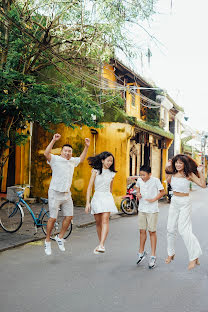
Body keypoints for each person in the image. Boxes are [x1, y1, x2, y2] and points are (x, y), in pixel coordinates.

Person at [44, 133, 90, 255]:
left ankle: (60, 237)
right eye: (65, 151)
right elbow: (46, 153)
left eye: (69, 151)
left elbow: (81, 158)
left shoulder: (72, 162)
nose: (67, 153)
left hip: (66, 194)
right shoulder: (55, 159)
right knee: (53, 218)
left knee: (69, 217)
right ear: (61, 152)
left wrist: (86, 146)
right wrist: (53, 140)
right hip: (54, 193)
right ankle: (47, 241)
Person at [165, 154, 206, 270]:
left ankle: (193, 257)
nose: (178, 165)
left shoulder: (189, 175)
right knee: (170, 228)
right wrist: (167, 168)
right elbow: (167, 181)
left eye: (180, 163)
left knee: (184, 230)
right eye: (176, 162)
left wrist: (200, 172)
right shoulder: (172, 173)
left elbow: (203, 185)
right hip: (174, 201)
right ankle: (170, 253)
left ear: (184, 164)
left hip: (184, 202)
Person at [85, 151, 118, 254]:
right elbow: (90, 187)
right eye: (108, 160)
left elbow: (111, 189)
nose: (110, 163)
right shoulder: (95, 171)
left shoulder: (112, 174)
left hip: (107, 197)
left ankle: (102, 245)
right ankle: (100, 244)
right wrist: (88, 203)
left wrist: (110, 199)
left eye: (111, 161)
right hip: (97, 197)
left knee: (105, 221)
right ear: (102, 160)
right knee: (98, 223)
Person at [135, 165, 165, 269]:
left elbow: (162, 192)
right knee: (142, 231)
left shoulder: (155, 180)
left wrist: (154, 199)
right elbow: (137, 187)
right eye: (141, 174)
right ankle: (141, 252)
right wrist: (138, 193)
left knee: (152, 231)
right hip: (142, 209)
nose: (142, 177)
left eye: (144, 175)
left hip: (152, 210)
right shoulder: (139, 180)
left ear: (150, 174)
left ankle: (152, 255)